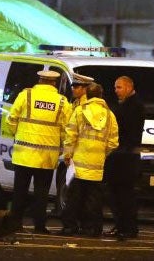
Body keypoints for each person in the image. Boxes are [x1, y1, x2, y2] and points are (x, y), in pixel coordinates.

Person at [5, 70, 72, 234]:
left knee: (20, 191)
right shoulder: (62, 102)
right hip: (47, 157)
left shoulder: (25, 95)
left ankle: (15, 224)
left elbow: (11, 119)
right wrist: (63, 147)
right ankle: (40, 226)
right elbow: (67, 129)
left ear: (40, 80)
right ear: (54, 83)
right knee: (41, 194)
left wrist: (17, 133)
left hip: (23, 154)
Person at [61, 82, 119, 236]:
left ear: (88, 94)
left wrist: (68, 155)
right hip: (97, 165)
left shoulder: (80, 111)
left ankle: (70, 227)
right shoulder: (110, 115)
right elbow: (113, 142)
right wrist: (101, 153)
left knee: (74, 197)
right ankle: (92, 228)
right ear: (101, 95)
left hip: (78, 163)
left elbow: (70, 135)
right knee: (94, 199)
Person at [103, 75, 145, 239]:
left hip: (125, 158)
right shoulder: (124, 104)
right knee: (115, 194)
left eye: (119, 87)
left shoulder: (134, 106)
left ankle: (128, 227)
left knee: (124, 195)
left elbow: (126, 129)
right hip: (119, 156)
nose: (116, 91)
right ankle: (121, 225)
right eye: (115, 87)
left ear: (128, 87)